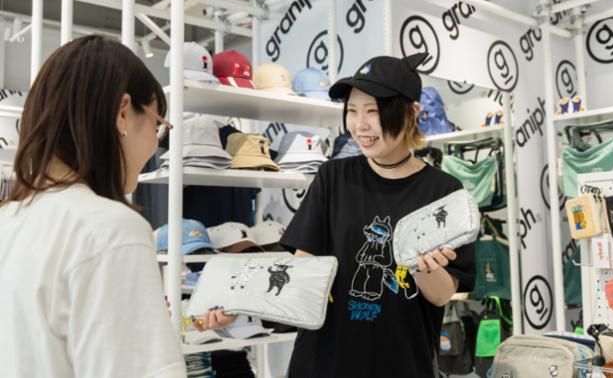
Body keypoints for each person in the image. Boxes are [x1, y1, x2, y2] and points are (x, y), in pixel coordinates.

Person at [196, 53, 476, 378]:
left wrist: (424, 267)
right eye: (352, 111)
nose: (360, 125)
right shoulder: (333, 177)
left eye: (373, 111)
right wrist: (239, 305)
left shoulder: (444, 191)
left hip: (402, 364)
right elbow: (301, 273)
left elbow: (442, 295)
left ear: (412, 112)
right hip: (321, 365)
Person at [0, 36, 187, 377]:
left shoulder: (8, 220)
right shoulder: (110, 230)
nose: (154, 144)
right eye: (157, 124)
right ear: (122, 113)